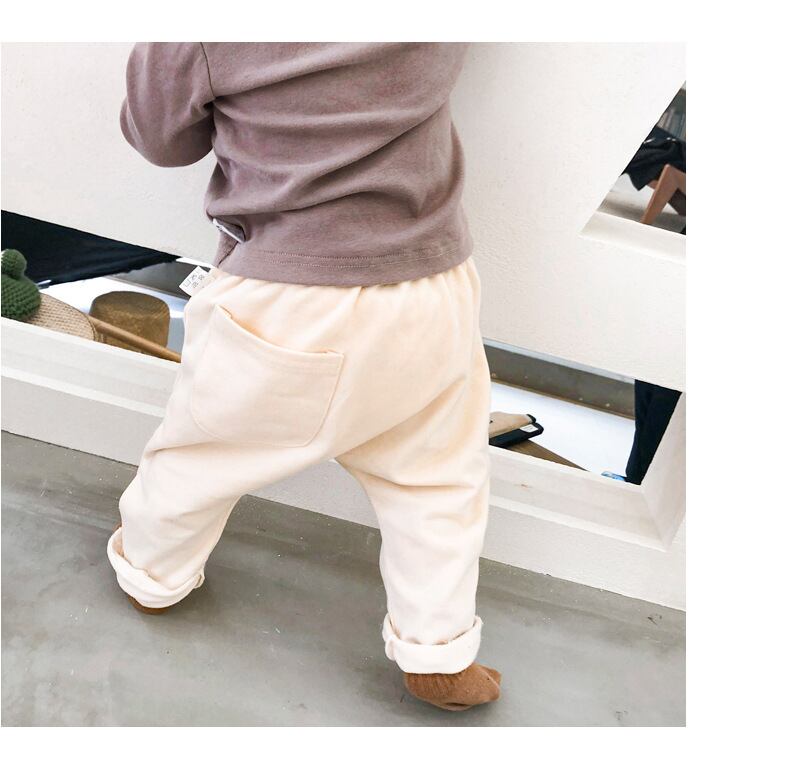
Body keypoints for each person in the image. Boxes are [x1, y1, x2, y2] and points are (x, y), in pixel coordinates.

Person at [107, 42, 500, 712]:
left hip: (284, 296)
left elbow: (159, 138)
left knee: (202, 456)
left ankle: (152, 575)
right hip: (431, 289)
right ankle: (438, 654)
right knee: (437, 481)